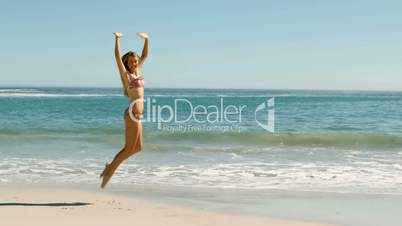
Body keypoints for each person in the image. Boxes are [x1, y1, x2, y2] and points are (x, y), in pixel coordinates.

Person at [100, 31, 149, 188]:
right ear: (126, 63)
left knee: (138, 148)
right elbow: (116, 57)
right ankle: (110, 170)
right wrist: (117, 39)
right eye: (130, 62)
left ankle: (110, 167)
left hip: (138, 116)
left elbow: (145, 55)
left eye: (135, 61)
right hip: (132, 114)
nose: (134, 64)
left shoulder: (138, 73)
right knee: (129, 148)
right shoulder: (127, 76)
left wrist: (146, 39)